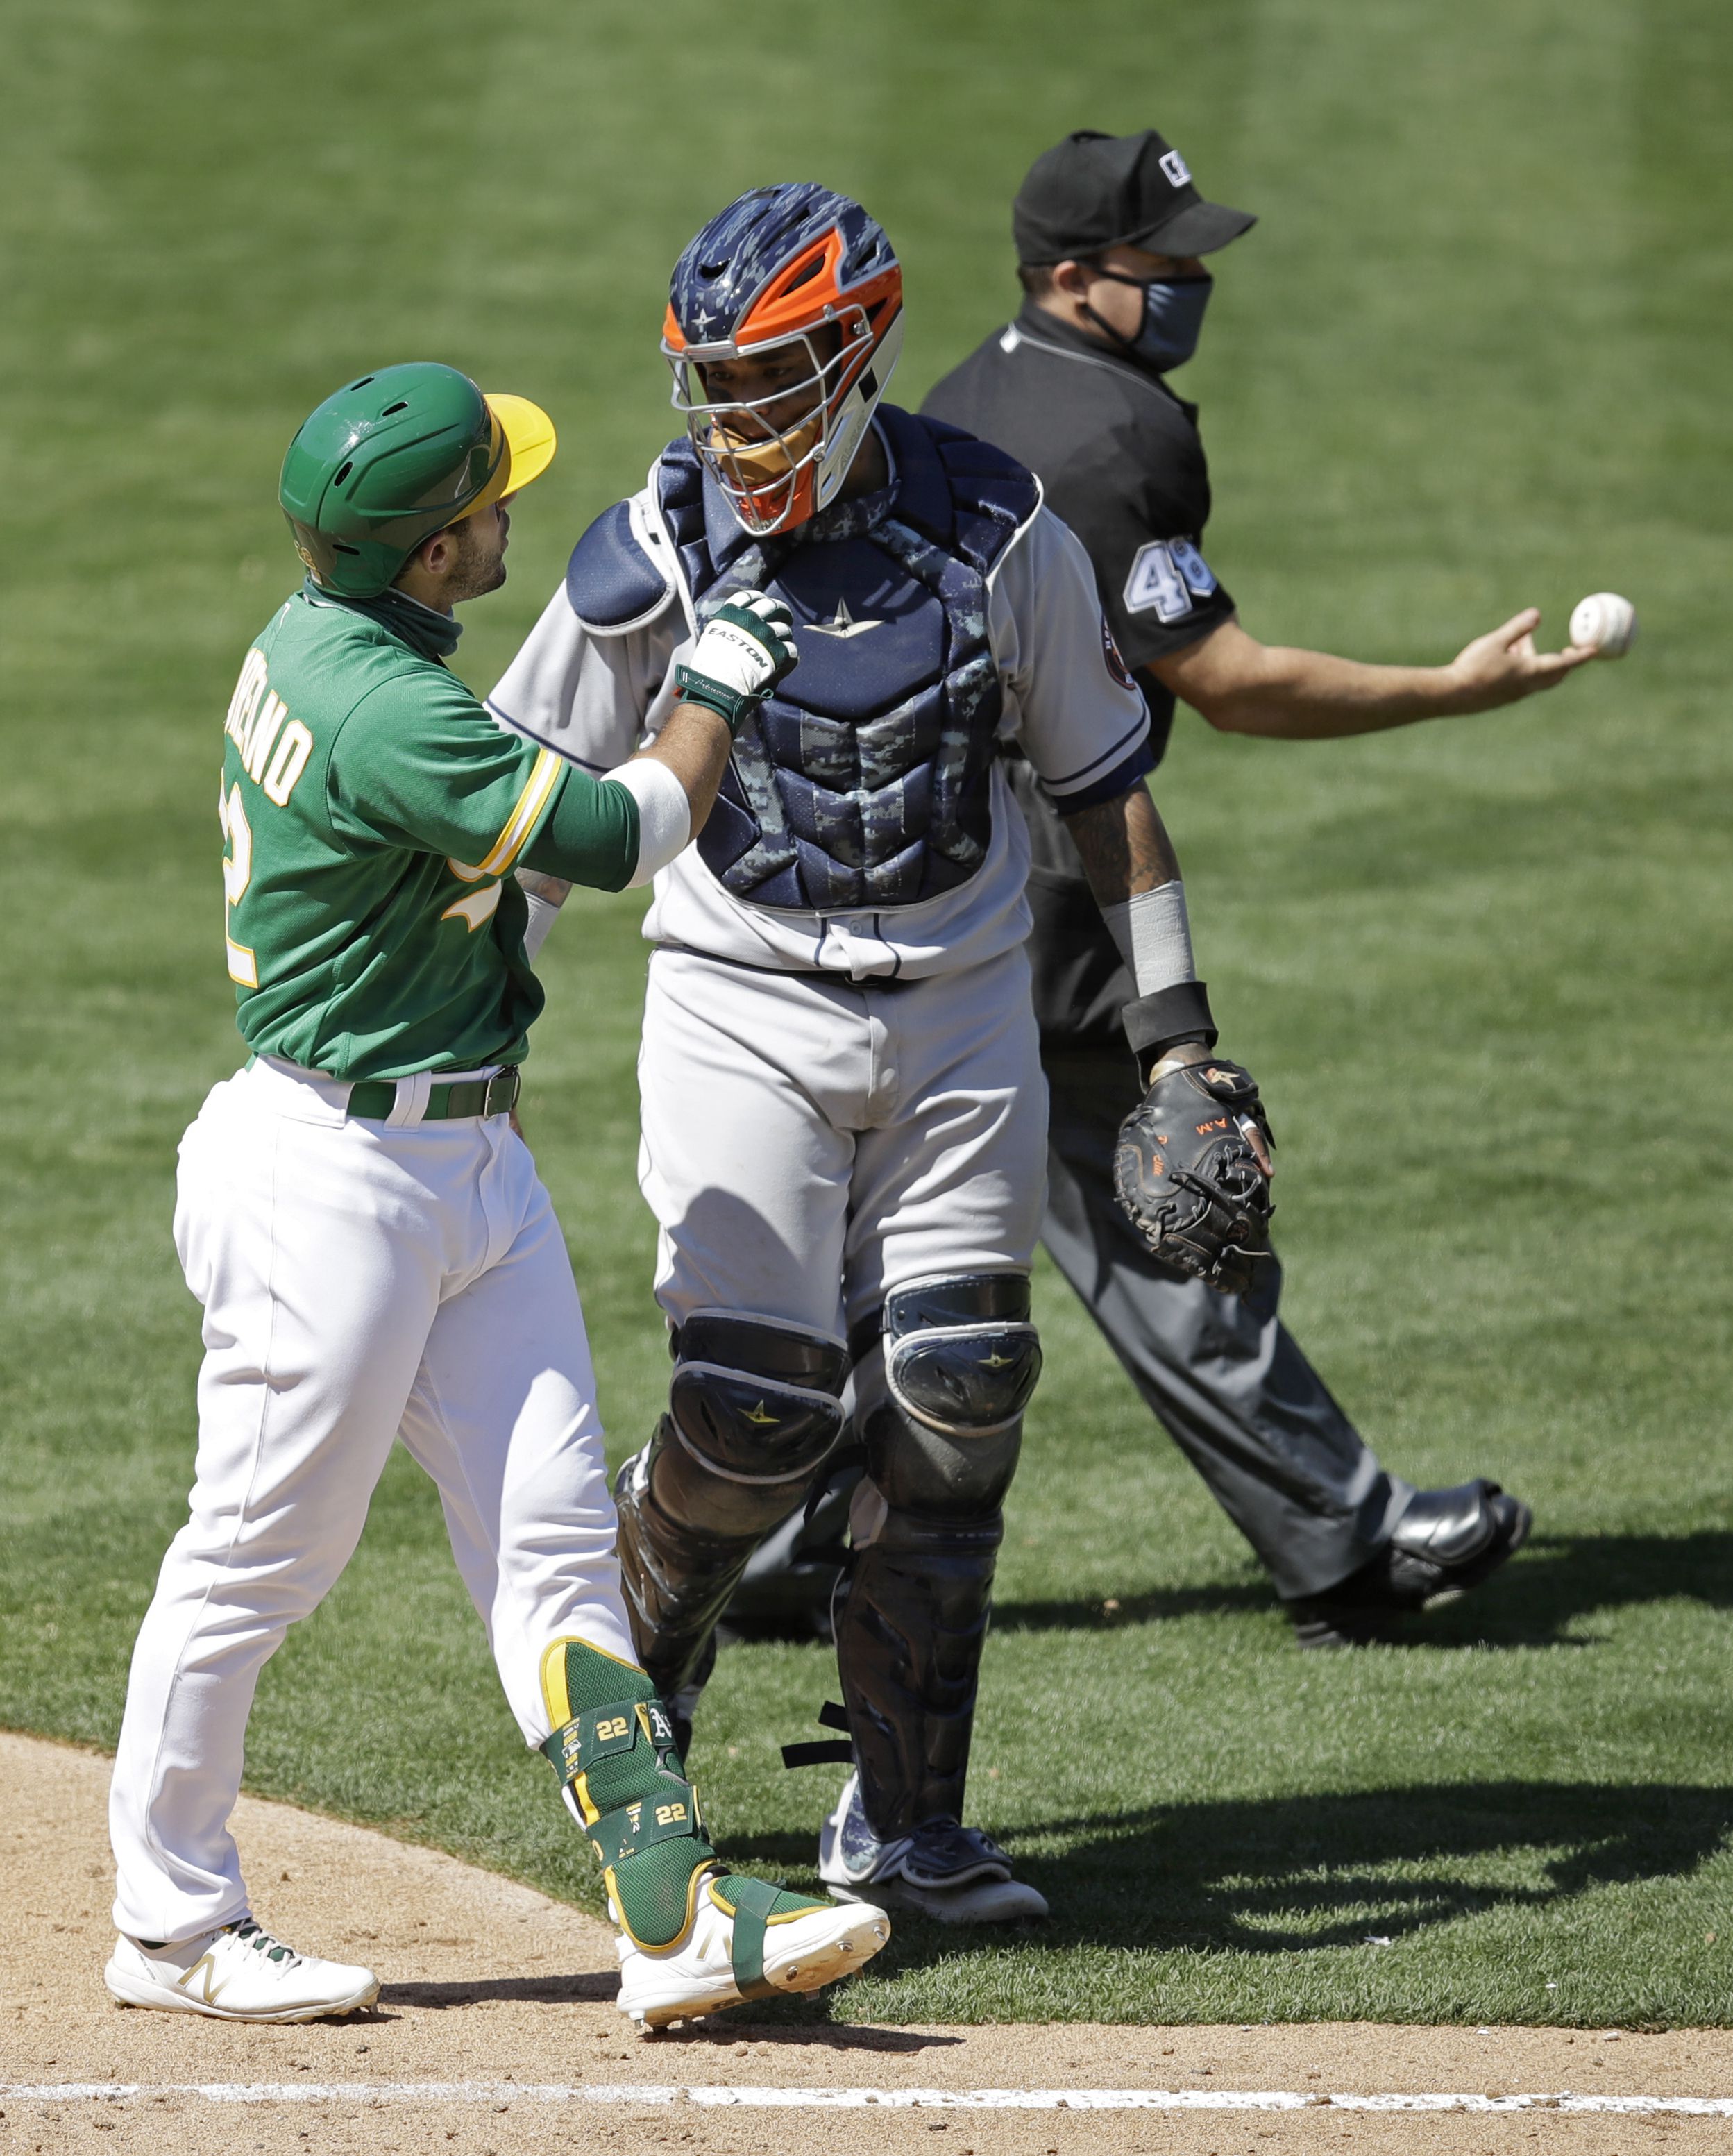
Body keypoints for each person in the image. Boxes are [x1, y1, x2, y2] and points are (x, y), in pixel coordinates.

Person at [490, 183, 1267, 1923]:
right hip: (736, 998)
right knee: (754, 1415)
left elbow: (1105, 798)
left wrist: (1176, 1048)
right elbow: (526, 804)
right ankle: (651, 1675)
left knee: (959, 1391)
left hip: (963, 1002)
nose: (733, 424)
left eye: (768, 381)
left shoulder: (1002, 535)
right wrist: (487, 1022)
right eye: (714, 384)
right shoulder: (658, 548)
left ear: (856, 357)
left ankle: (904, 1823)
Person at [103, 362, 888, 2031]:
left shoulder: (340, 645)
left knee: (555, 1557)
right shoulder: (387, 707)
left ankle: (669, 1913)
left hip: (463, 1166)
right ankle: (168, 1922)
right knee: (259, 1554)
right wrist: (717, 681)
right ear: (430, 548)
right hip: (330, 1181)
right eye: (488, 501)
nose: (511, 511)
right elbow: (625, 828)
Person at [729, 128, 1590, 1650]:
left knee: (903, 1248)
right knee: (1169, 1210)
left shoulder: (969, 396)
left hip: (906, 877)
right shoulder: (1114, 439)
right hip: (1048, 891)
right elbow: (1230, 682)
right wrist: (1453, 690)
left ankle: (775, 1548)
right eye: (1166, 263)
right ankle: (1342, 1539)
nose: (1194, 282)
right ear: (1075, 278)